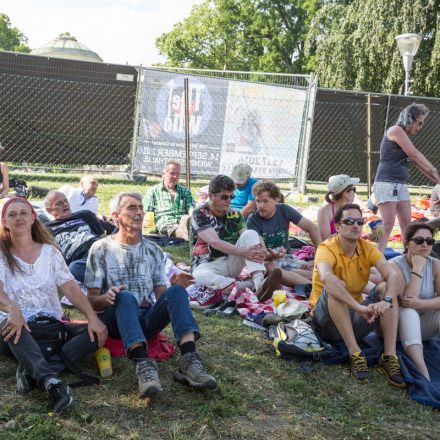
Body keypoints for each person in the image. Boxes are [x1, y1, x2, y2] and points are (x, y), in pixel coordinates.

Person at [85, 192, 217, 398]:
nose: (138, 213)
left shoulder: (153, 249)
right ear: (116, 216)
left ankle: (190, 360)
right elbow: (91, 300)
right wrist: (107, 297)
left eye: (140, 208)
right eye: (131, 208)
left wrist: (174, 287)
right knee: (125, 296)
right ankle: (144, 366)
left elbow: (161, 296)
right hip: (115, 321)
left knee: (176, 291)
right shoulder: (100, 249)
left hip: (146, 321)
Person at [0, 197, 107, 413]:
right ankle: (51, 382)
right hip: (13, 327)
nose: (18, 217)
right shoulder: (1, 254)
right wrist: (12, 308)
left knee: (97, 332)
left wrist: (93, 318)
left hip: (50, 326)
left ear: (33, 218)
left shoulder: (50, 252)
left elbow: (71, 288)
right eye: (12, 214)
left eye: (23, 213)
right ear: (4, 222)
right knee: (14, 328)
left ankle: (32, 368)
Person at [311, 203, 405, 387]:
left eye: (359, 221)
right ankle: (355, 353)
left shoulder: (367, 248)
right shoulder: (326, 247)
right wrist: (358, 307)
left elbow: (394, 275)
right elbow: (326, 278)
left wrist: (386, 301)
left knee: (386, 287)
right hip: (325, 322)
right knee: (337, 283)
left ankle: (389, 357)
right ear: (338, 227)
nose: (356, 225)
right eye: (349, 221)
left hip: (355, 318)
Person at [191, 175, 282, 301]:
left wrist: (261, 250)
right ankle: (249, 285)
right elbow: (214, 242)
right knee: (198, 277)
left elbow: (248, 237)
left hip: (232, 262)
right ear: (211, 196)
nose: (229, 200)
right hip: (207, 264)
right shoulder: (200, 213)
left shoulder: (235, 214)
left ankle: (259, 283)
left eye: (231, 196)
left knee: (251, 233)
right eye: (224, 197)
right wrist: (247, 253)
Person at [373, 103, 440, 252]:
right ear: (411, 118)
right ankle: (376, 257)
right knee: (388, 224)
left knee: (406, 224)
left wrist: (438, 180)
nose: (420, 127)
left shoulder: (404, 137)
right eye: (419, 122)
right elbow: (414, 154)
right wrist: (434, 169)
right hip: (386, 184)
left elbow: (418, 163)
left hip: (400, 185)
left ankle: (407, 257)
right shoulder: (396, 130)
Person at [389, 223, 440, 381]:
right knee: (409, 312)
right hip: (397, 327)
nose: (425, 244)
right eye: (419, 240)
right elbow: (407, 301)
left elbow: (417, 302)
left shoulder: (435, 264)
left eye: (429, 241)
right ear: (407, 243)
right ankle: (423, 371)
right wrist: (417, 268)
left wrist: (422, 304)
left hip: (424, 324)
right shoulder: (394, 265)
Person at [247, 181, 322, 287]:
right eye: (258, 201)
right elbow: (261, 255)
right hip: (268, 261)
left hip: (287, 258)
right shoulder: (253, 220)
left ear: (276, 199)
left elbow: (312, 228)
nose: (260, 206)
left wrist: (319, 259)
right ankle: (314, 287)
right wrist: (273, 256)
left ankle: (291, 278)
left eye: (265, 201)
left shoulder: (284, 209)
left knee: (315, 267)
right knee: (270, 268)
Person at [44, 190, 105, 284]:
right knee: (74, 268)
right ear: (49, 210)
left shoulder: (85, 215)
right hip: (81, 259)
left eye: (65, 201)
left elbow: (103, 237)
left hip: (98, 248)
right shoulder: (46, 228)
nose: (65, 205)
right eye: (59, 204)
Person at [143, 160, 195, 241]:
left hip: (183, 221)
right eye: (172, 173)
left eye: (178, 174)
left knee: (188, 219)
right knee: (176, 230)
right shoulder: (153, 191)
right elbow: (145, 212)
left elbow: (191, 209)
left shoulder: (185, 191)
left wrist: (193, 218)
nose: (175, 176)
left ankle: (193, 236)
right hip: (165, 224)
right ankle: (191, 239)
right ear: (163, 174)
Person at [317, 175, 359, 240]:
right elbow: (325, 239)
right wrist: (348, 231)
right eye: (354, 189)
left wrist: (359, 224)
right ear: (345, 194)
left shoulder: (351, 209)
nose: (355, 193)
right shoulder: (325, 210)